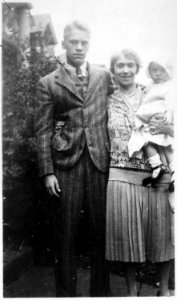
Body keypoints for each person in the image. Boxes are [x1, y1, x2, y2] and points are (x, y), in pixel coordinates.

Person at [35, 21, 114, 297]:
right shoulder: (48, 83)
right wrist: (47, 172)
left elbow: (121, 106)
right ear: (64, 44)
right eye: (73, 42)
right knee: (65, 235)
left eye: (83, 42)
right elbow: (42, 128)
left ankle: (100, 293)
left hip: (99, 163)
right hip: (65, 166)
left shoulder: (103, 76)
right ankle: (66, 294)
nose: (79, 47)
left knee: (100, 234)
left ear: (88, 44)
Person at [105, 49, 174, 296]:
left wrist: (168, 127)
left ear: (137, 68)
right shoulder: (107, 100)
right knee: (127, 240)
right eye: (120, 65)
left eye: (130, 65)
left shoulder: (153, 93)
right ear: (113, 70)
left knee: (163, 237)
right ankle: (132, 292)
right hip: (121, 175)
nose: (125, 70)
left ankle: (165, 291)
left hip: (157, 174)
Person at [128, 58, 174, 191]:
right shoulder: (149, 86)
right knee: (147, 141)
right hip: (148, 117)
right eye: (154, 70)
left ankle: (171, 171)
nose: (158, 74)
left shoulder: (170, 86)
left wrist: (168, 118)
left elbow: (171, 104)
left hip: (160, 117)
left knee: (165, 145)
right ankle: (157, 166)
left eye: (161, 70)